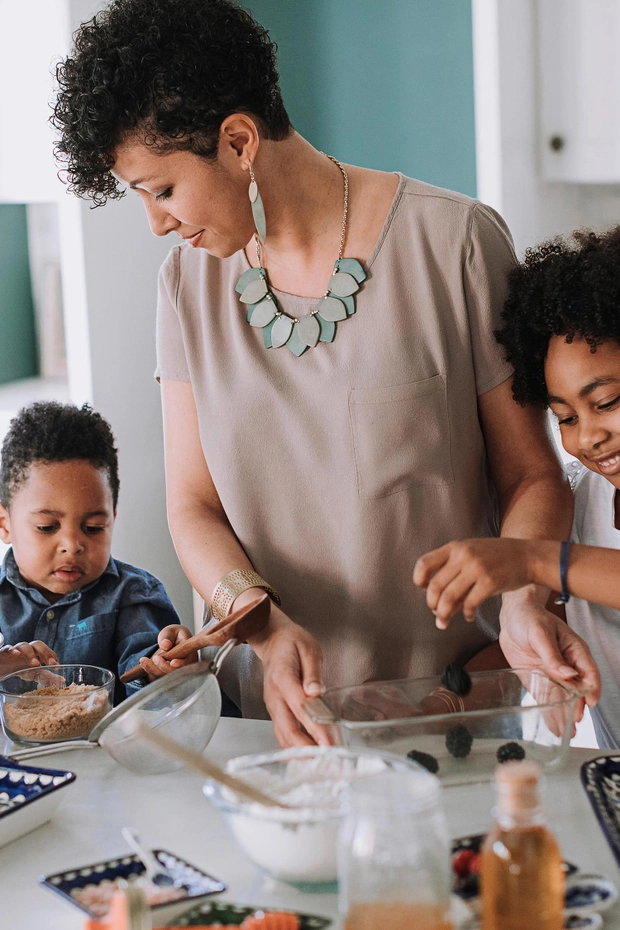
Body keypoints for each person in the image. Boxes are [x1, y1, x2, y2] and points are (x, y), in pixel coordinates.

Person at [51, 0, 599, 746]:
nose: (157, 223)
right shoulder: (186, 285)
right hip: (273, 721)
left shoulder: (455, 244)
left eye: (163, 190)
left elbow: (533, 475)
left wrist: (527, 601)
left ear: (238, 141)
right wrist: (264, 629)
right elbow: (193, 507)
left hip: (449, 712)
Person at [415, 226, 620, 744]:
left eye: (607, 403)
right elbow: (527, 636)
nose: (587, 437)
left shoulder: (550, 554)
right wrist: (433, 707)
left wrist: (530, 558)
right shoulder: (583, 503)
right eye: (565, 417)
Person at [0, 402, 198, 701]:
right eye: (47, 527)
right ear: (5, 524)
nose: (72, 545)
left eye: (93, 528)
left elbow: (146, 669)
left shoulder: (134, 595)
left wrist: (164, 666)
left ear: (112, 519)